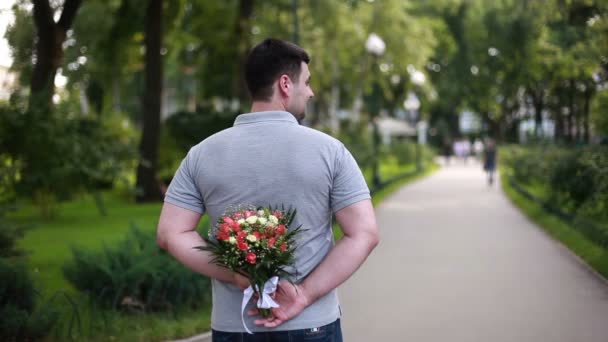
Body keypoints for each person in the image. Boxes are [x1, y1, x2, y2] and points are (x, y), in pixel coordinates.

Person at [156, 38, 379, 342]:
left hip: (236, 326)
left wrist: (235, 274)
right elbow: (364, 233)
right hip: (311, 325)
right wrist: (303, 294)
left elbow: (171, 234)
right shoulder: (331, 151)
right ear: (285, 84)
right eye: (307, 82)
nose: (311, 92)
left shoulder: (202, 154)